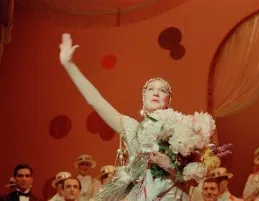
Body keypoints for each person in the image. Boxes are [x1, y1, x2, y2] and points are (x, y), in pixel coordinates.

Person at [59, 33, 216, 201]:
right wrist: (69, 65)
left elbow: (195, 179)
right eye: (150, 89)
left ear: (168, 101)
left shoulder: (184, 129)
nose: (155, 92)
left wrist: (170, 166)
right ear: (143, 99)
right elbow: (95, 100)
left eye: (162, 90)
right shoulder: (133, 128)